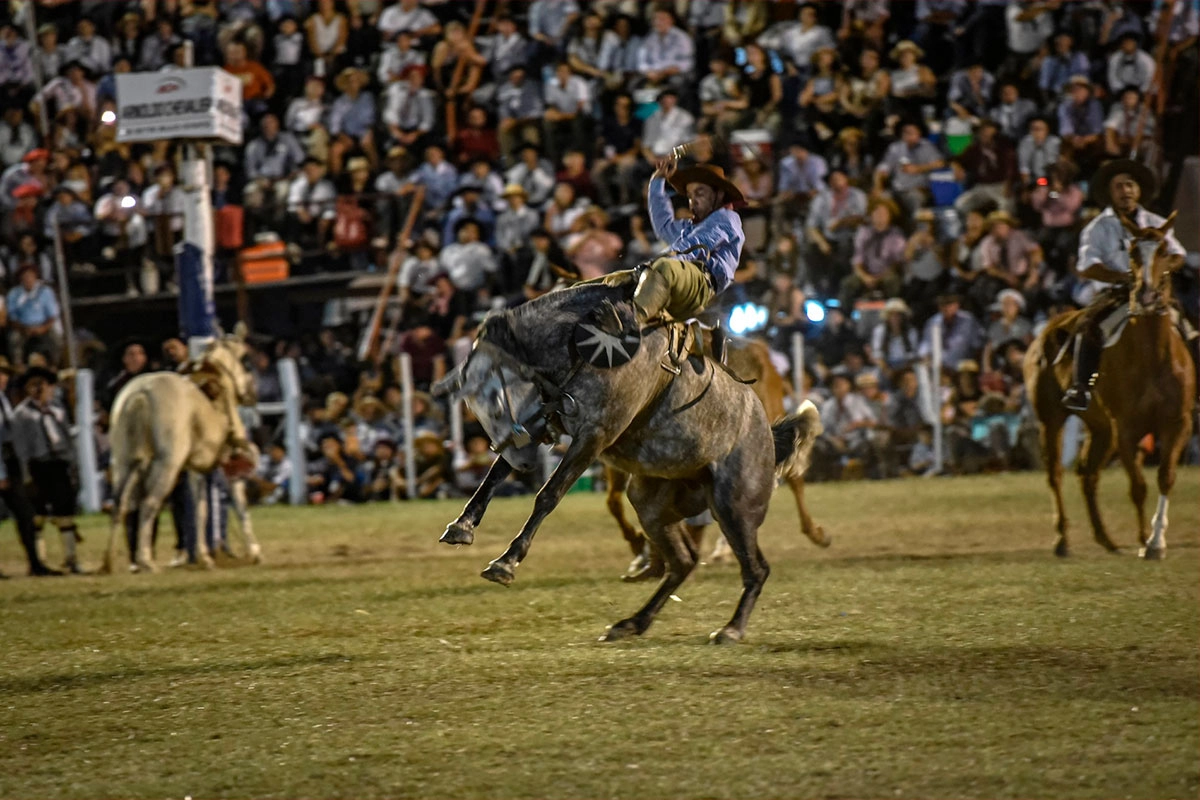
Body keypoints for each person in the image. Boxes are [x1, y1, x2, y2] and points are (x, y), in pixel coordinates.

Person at [1063, 158, 1185, 412]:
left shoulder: (1156, 222)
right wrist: (1126, 279)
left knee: (1189, 329)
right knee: (1089, 326)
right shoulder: (1097, 227)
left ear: (1139, 190)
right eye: (1119, 186)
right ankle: (1082, 386)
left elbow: (1178, 255)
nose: (1126, 191)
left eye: (1130, 185)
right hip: (1114, 293)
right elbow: (1088, 265)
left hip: (1154, 292)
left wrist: (1156, 273)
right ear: (1110, 193)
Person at [630, 158, 746, 349]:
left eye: (699, 193)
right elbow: (664, 226)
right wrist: (657, 182)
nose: (693, 200)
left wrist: (664, 259)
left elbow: (697, 244)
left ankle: (631, 322)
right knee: (626, 276)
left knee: (664, 267)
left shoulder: (727, 218)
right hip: (683, 282)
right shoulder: (691, 226)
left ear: (718, 194)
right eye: (690, 195)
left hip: (702, 284)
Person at [11, 367, 83, 573]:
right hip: (38, 465)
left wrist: (72, 461)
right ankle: (40, 560)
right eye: (34, 385)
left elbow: (67, 437)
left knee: (65, 512)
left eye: (44, 384)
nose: (40, 389)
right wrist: (26, 473)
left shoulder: (57, 409)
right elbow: (21, 446)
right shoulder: (22, 414)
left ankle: (71, 558)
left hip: (59, 463)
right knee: (38, 514)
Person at [0, 357, 60, 576]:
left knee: (26, 514)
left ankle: (35, 562)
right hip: (2, 464)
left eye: (5, 374)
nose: (3, 378)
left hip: (10, 462)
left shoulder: (4, 400)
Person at [7, 265, 62, 367]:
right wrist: (23, 329)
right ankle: (18, 367)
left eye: (30, 276)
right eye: (25, 276)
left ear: (35, 277)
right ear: (20, 278)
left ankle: (54, 365)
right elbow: (12, 317)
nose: (28, 279)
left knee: (56, 339)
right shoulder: (14, 294)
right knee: (13, 339)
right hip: (22, 328)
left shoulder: (46, 292)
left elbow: (52, 316)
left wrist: (42, 328)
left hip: (43, 326)